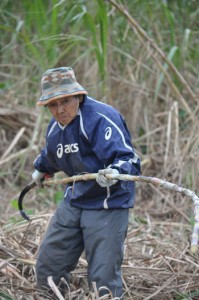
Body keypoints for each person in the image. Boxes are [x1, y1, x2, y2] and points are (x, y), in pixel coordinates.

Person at [32, 67, 141, 298]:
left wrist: (114, 171)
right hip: (75, 199)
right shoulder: (54, 128)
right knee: (48, 267)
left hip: (108, 204)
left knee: (102, 280)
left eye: (66, 101)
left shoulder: (100, 118)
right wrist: (42, 170)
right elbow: (52, 156)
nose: (60, 110)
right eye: (53, 104)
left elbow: (129, 158)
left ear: (79, 96)